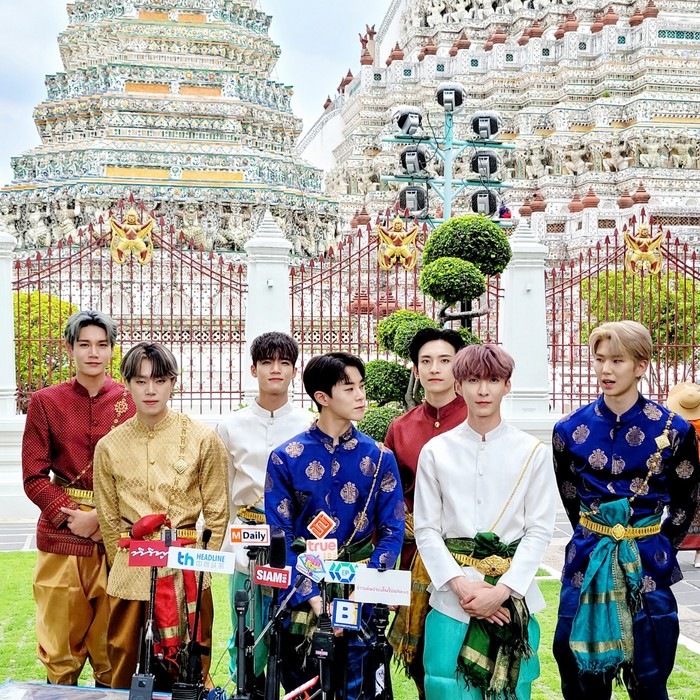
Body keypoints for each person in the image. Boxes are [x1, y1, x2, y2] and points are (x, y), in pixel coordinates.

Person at [552, 321, 700, 700]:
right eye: (599, 359)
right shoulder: (568, 429)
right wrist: (597, 534)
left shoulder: (675, 430)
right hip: (587, 561)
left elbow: (685, 502)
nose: (605, 369)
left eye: (617, 360)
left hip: (647, 564)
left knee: (651, 677)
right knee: (578, 674)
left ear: (641, 365)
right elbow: (570, 498)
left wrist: (658, 545)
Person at [414, 343, 556, 700]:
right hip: (451, 598)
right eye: (473, 380)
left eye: (493, 380)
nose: (483, 390)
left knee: (512, 688)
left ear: (507, 385)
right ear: (458, 385)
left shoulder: (532, 452)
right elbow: (427, 529)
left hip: (512, 597)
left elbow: (539, 529)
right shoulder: (436, 451)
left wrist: (502, 591)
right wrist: (462, 587)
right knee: (444, 684)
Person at [265, 352, 405, 700]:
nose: (361, 396)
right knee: (305, 689)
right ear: (322, 397)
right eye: (349, 388)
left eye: (362, 386)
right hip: (302, 594)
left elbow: (392, 531)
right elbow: (279, 536)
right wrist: (316, 603)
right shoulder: (286, 457)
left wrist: (357, 600)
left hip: (362, 590)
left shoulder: (380, 457)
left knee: (361, 688)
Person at [93, 342, 229, 690]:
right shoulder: (109, 446)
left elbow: (217, 511)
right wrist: (123, 561)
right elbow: (108, 519)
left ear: (173, 383)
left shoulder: (202, 438)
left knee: (190, 669)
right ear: (126, 384)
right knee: (125, 663)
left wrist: (202, 567)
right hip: (131, 572)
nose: (150, 390)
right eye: (140, 381)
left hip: (187, 572)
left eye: (159, 380)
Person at [22, 310, 135, 686]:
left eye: (102, 345)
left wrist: (101, 520)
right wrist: (73, 517)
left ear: (112, 350)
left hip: (117, 538)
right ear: (69, 348)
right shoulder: (46, 402)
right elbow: (34, 476)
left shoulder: (130, 401)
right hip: (61, 538)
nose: (93, 353)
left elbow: (141, 474)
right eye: (84, 344)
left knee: (113, 650)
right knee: (60, 653)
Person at [216, 332, 311, 685]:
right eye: (267, 362)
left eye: (284, 363)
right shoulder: (230, 426)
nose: (276, 370)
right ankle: (245, 689)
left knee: (294, 635)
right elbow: (224, 489)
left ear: (294, 371)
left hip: (295, 542)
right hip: (247, 540)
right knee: (246, 630)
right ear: (253, 369)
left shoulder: (309, 424)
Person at [385, 327, 466, 699]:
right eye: (426, 361)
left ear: (459, 367)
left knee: (459, 650)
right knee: (418, 653)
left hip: (466, 552)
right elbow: (389, 499)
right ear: (415, 371)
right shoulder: (401, 429)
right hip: (412, 552)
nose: (435, 369)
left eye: (445, 360)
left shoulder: (476, 418)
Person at [667, 382, 700, 567]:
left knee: (676, 510)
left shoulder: (676, 426)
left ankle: (671, 550)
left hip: (678, 474)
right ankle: (699, 554)